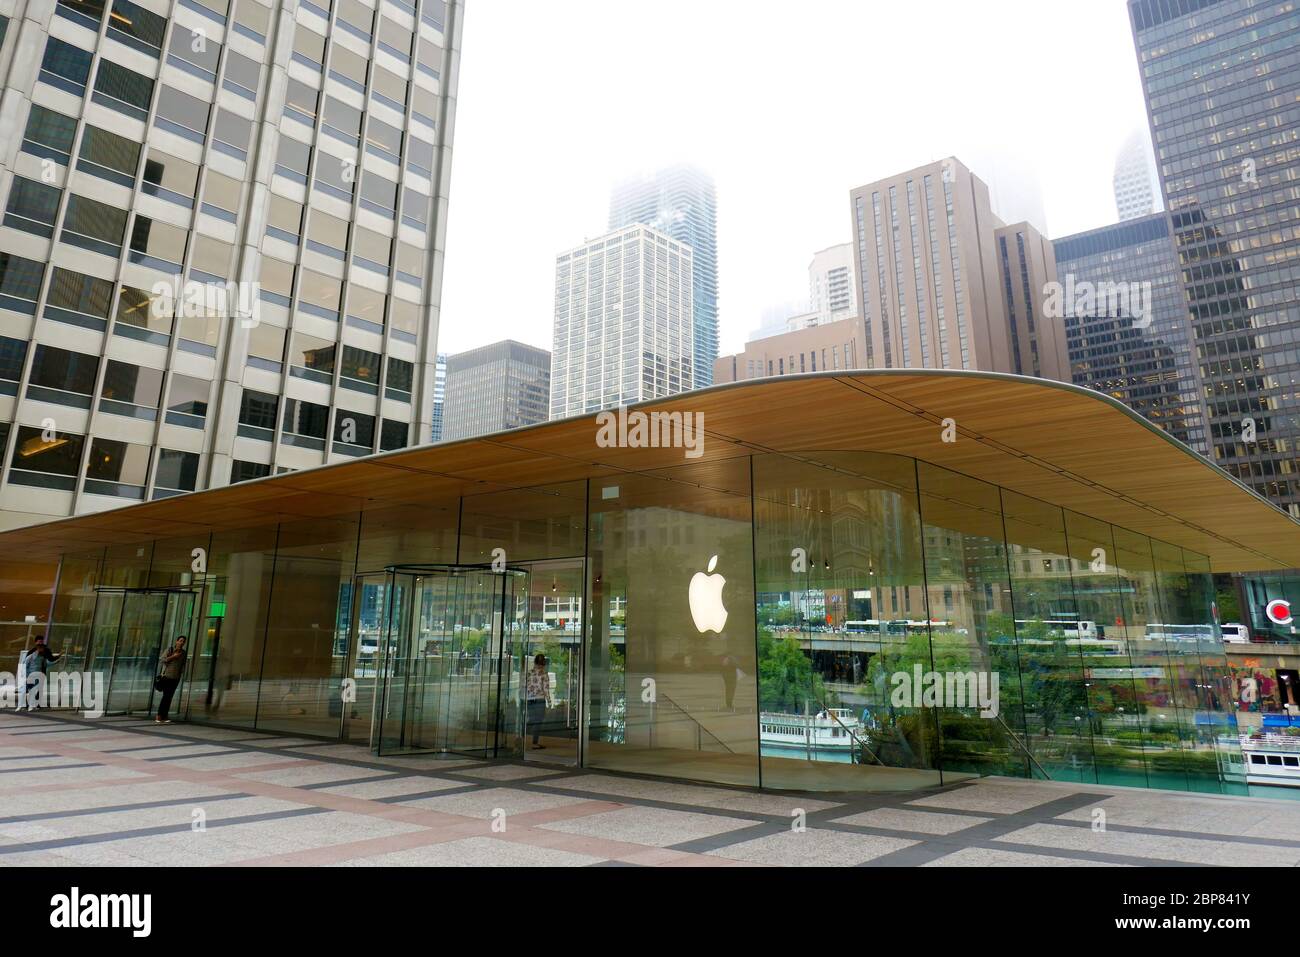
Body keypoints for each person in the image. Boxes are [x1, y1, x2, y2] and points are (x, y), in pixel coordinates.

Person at [155, 636, 188, 724]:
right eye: (180, 641)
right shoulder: (170, 650)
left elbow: (183, 665)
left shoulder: (184, 653)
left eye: (183, 641)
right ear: (176, 641)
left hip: (175, 678)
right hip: (167, 677)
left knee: (169, 697)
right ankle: (159, 715)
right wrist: (173, 657)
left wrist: (181, 674)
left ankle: (165, 716)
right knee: (166, 697)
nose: (182, 643)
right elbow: (162, 660)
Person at [22, 636, 60, 710]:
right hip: (31, 674)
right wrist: (26, 674)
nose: (40, 643)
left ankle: (37, 703)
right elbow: (26, 663)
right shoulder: (32, 652)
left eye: (41, 642)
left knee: (40, 689)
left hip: (41, 672)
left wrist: (57, 658)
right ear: (36, 642)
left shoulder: (46, 651)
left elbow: (50, 660)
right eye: (39, 642)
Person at [525, 653, 550, 749]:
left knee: (531, 720)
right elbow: (546, 689)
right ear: (544, 663)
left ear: (535, 662)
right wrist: (549, 702)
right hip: (540, 699)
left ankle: (521, 735)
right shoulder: (544, 674)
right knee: (538, 722)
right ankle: (534, 742)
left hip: (530, 699)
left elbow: (526, 686)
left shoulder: (530, 672)